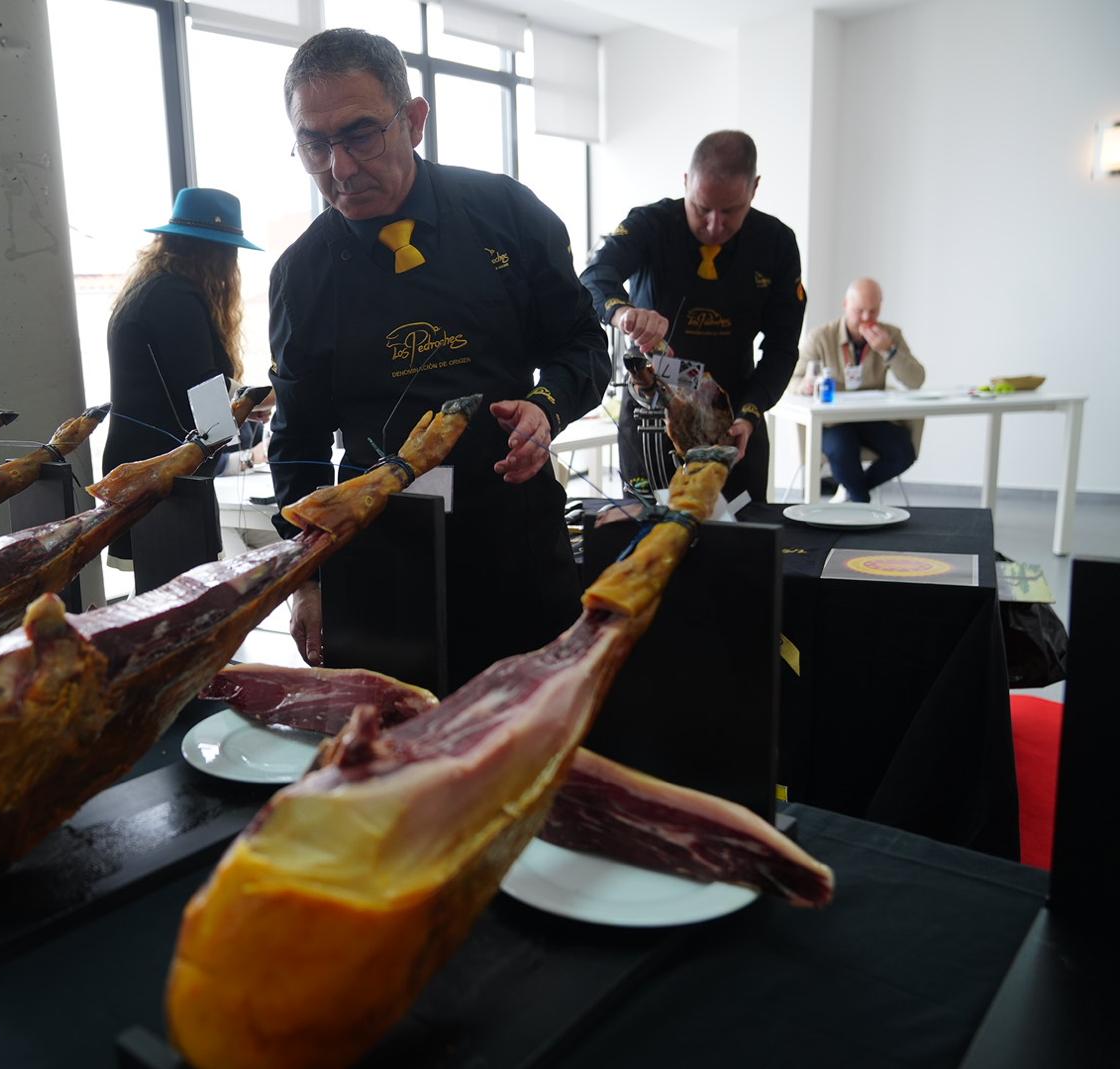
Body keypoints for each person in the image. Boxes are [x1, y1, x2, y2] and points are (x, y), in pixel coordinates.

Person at [268, 28, 611, 689]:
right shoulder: (302, 274)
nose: (339, 166)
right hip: (377, 556)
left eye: (360, 134)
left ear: (415, 120)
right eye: (314, 143)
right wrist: (306, 577)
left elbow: (583, 345)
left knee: (529, 751)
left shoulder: (506, 214)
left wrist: (547, 407)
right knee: (390, 761)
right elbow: (299, 441)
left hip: (513, 540)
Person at [581, 131, 806, 503]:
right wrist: (623, 312)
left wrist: (750, 414)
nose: (715, 225)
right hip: (652, 411)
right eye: (702, 208)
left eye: (730, 211)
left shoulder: (776, 243)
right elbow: (593, 275)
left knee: (739, 545)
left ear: (754, 188)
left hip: (734, 413)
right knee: (647, 541)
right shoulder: (650, 224)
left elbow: (783, 347)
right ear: (686, 182)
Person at [102, 187, 265, 563]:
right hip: (165, 473)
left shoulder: (150, 290)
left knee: (157, 590)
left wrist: (240, 405)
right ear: (219, 254)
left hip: (142, 466)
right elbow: (206, 403)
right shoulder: (177, 299)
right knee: (180, 595)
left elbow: (182, 379)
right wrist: (263, 400)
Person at [793, 277, 925, 502]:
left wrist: (889, 351)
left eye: (873, 311)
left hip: (871, 417)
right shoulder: (821, 337)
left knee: (904, 451)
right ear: (846, 305)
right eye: (859, 310)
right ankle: (860, 500)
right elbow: (791, 381)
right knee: (843, 450)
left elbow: (916, 380)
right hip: (833, 422)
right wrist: (806, 385)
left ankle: (851, 488)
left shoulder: (890, 335)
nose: (866, 318)